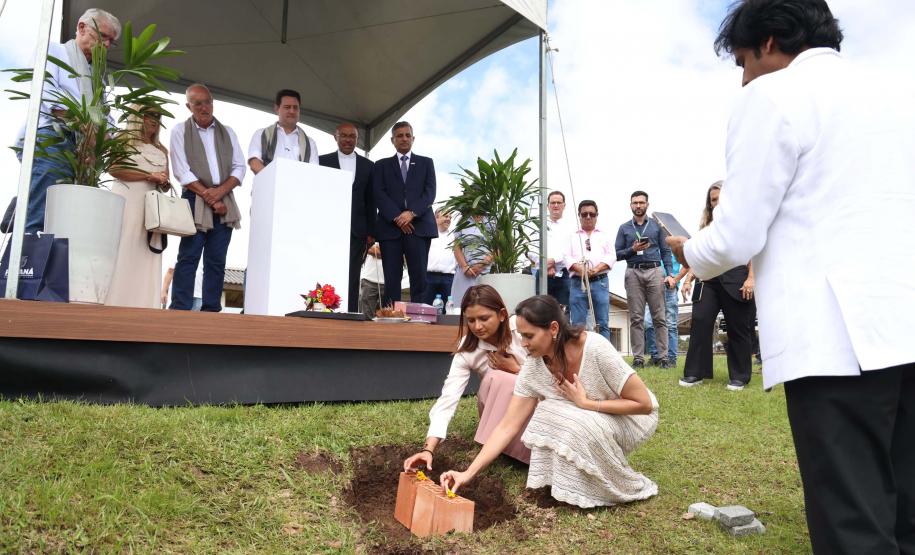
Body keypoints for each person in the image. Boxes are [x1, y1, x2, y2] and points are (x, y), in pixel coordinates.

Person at [666, 1, 915, 552]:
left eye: (742, 62)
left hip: (837, 338)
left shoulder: (773, 95)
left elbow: (736, 235)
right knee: (907, 514)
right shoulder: (898, 94)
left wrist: (690, 251)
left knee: (853, 523)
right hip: (906, 324)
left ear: (769, 41)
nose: (743, 78)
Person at [439, 295, 658, 508]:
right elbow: (507, 426)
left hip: (631, 418)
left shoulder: (595, 347)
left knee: (560, 414)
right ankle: (569, 486)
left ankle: (616, 485)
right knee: (547, 411)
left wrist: (587, 404)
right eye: (521, 336)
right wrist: (467, 473)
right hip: (588, 418)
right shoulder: (533, 368)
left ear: (553, 328)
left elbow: (644, 405)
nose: (523, 344)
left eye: (529, 336)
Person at [403, 285, 532, 471]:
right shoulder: (468, 350)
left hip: (534, 404)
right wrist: (428, 449)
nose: (477, 326)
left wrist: (516, 370)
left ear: (502, 314)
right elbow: (448, 398)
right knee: (496, 379)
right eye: (471, 320)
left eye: (484, 318)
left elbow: (550, 374)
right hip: (499, 413)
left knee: (504, 379)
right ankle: (502, 446)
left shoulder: (522, 330)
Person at [14, 8, 121, 233]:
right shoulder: (53, 51)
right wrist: (87, 126)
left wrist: (110, 139)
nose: (106, 45)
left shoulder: (98, 75)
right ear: (81, 28)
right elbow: (46, 94)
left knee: (64, 224)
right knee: (40, 217)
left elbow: (105, 115)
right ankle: (23, 256)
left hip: (84, 154)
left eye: (111, 41)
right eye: (103, 36)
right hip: (54, 140)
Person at [169, 84, 245, 312]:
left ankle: (211, 310)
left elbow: (240, 167)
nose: (204, 107)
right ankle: (180, 309)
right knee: (189, 256)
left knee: (217, 259)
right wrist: (211, 197)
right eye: (198, 103)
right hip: (194, 198)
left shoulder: (228, 132)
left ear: (213, 103)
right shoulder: (180, 131)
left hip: (225, 200)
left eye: (207, 102)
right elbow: (181, 171)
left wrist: (219, 193)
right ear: (189, 106)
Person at [677, 182, 755, 390]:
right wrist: (688, 279)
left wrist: (751, 278)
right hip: (708, 280)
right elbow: (701, 257)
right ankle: (695, 373)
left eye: (720, 199)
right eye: (713, 200)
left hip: (736, 277)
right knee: (700, 321)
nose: (717, 203)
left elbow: (755, 252)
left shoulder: (744, 223)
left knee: (737, 327)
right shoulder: (707, 227)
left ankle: (740, 376)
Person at [106, 105, 170, 308]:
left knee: (148, 251)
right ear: (137, 117)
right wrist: (148, 175)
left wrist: (164, 182)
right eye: (149, 115)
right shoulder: (122, 139)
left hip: (152, 207)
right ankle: (114, 302)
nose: (154, 120)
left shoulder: (162, 150)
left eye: (157, 116)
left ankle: (144, 305)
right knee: (124, 246)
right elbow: (114, 169)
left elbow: (166, 182)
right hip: (127, 201)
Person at [371, 122, 437, 306]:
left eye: (408, 135)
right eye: (399, 136)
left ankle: (418, 317)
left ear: (413, 138)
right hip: (390, 229)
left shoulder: (426, 163)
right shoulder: (381, 165)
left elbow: (430, 193)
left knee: (419, 278)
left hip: (419, 227)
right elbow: (379, 194)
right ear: (392, 140)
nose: (404, 139)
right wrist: (398, 218)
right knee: (392, 278)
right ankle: (391, 316)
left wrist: (411, 213)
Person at [319, 122, 375, 312]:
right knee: (327, 271)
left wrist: (371, 232)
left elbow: (371, 201)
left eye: (352, 136)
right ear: (335, 137)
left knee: (353, 275)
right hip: (328, 229)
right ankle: (325, 312)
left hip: (357, 231)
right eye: (344, 135)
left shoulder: (369, 166)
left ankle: (349, 313)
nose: (348, 140)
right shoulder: (321, 161)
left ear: (357, 139)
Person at [615, 191, 674, 368]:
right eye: (635, 203)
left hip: (655, 271)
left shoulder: (657, 226)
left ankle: (663, 357)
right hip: (633, 271)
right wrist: (632, 249)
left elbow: (666, 251)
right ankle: (638, 358)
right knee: (636, 318)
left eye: (641, 202)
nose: (638, 205)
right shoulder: (624, 228)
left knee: (659, 317)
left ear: (647, 204)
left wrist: (670, 273)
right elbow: (616, 254)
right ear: (630, 205)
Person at [562, 200, 614, 341]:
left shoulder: (604, 235)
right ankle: (579, 353)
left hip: (600, 281)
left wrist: (596, 269)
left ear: (597, 215)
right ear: (579, 216)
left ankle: (603, 354)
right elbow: (566, 257)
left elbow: (611, 256)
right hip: (578, 282)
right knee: (577, 324)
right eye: (584, 214)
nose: (588, 217)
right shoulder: (572, 236)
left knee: (602, 323)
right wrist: (581, 270)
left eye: (592, 214)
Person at [247, 89, 318, 174]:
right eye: (287, 107)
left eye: (295, 107)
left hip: (298, 183)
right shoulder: (261, 134)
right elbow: (254, 163)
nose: (292, 111)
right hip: (269, 182)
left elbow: (313, 172)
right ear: (277, 109)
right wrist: (274, 179)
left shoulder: (310, 143)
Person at [530, 191, 573, 310]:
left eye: (559, 202)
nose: (556, 205)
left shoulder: (572, 227)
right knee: (540, 311)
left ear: (564, 205)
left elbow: (571, 250)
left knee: (563, 313)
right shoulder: (537, 224)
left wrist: (553, 261)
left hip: (564, 275)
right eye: (553, 202)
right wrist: (545, 264)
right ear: (547, 205)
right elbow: (530, 248)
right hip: (541, 273)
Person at [450, 214, 492, 304]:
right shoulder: (463, 219)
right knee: (460, 306)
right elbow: (456, 246)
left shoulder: (493, 219)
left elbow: (498, 248)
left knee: (484, 305)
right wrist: (465, 267)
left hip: (486, 273)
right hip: (465, 272)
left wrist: (482, 264)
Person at [422, 209, 456, 306]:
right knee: (426, 307)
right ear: (435, 218)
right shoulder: (427, 234)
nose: (448, 219)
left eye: (450, 217)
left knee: (447, 310)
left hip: (448, 278)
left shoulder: (454, 237)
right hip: (429, 277)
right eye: (445, 216)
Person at [358, 242, 385, 318]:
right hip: (369, 280)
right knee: (366, 316)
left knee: (388, 317)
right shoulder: (371, 235)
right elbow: (368, 248)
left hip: (389, 281)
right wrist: (387, 251)